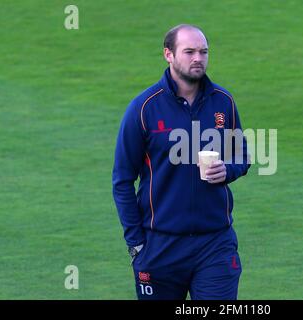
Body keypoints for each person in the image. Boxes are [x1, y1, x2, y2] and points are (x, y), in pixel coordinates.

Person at [112, 24, 250, 300]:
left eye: (203, 52)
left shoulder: (223, 102)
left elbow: (241, 156)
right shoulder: (143, 108)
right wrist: (136, 243)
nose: (198, 58)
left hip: (215, 244)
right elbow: (122, 180)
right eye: (189, 52)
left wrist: (228, 169)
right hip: (160, 246)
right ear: (168, 55)